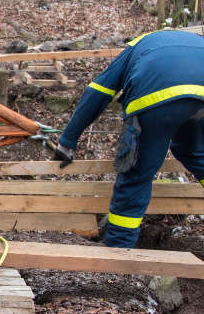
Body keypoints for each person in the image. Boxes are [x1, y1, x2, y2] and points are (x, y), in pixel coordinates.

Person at [52, 29, 204, 248]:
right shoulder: (197, 42)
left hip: (157, 97)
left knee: (137, 173)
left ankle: (118, 246)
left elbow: (98, 91)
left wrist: (67, 142)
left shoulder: (138, 45)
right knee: (195, 153)